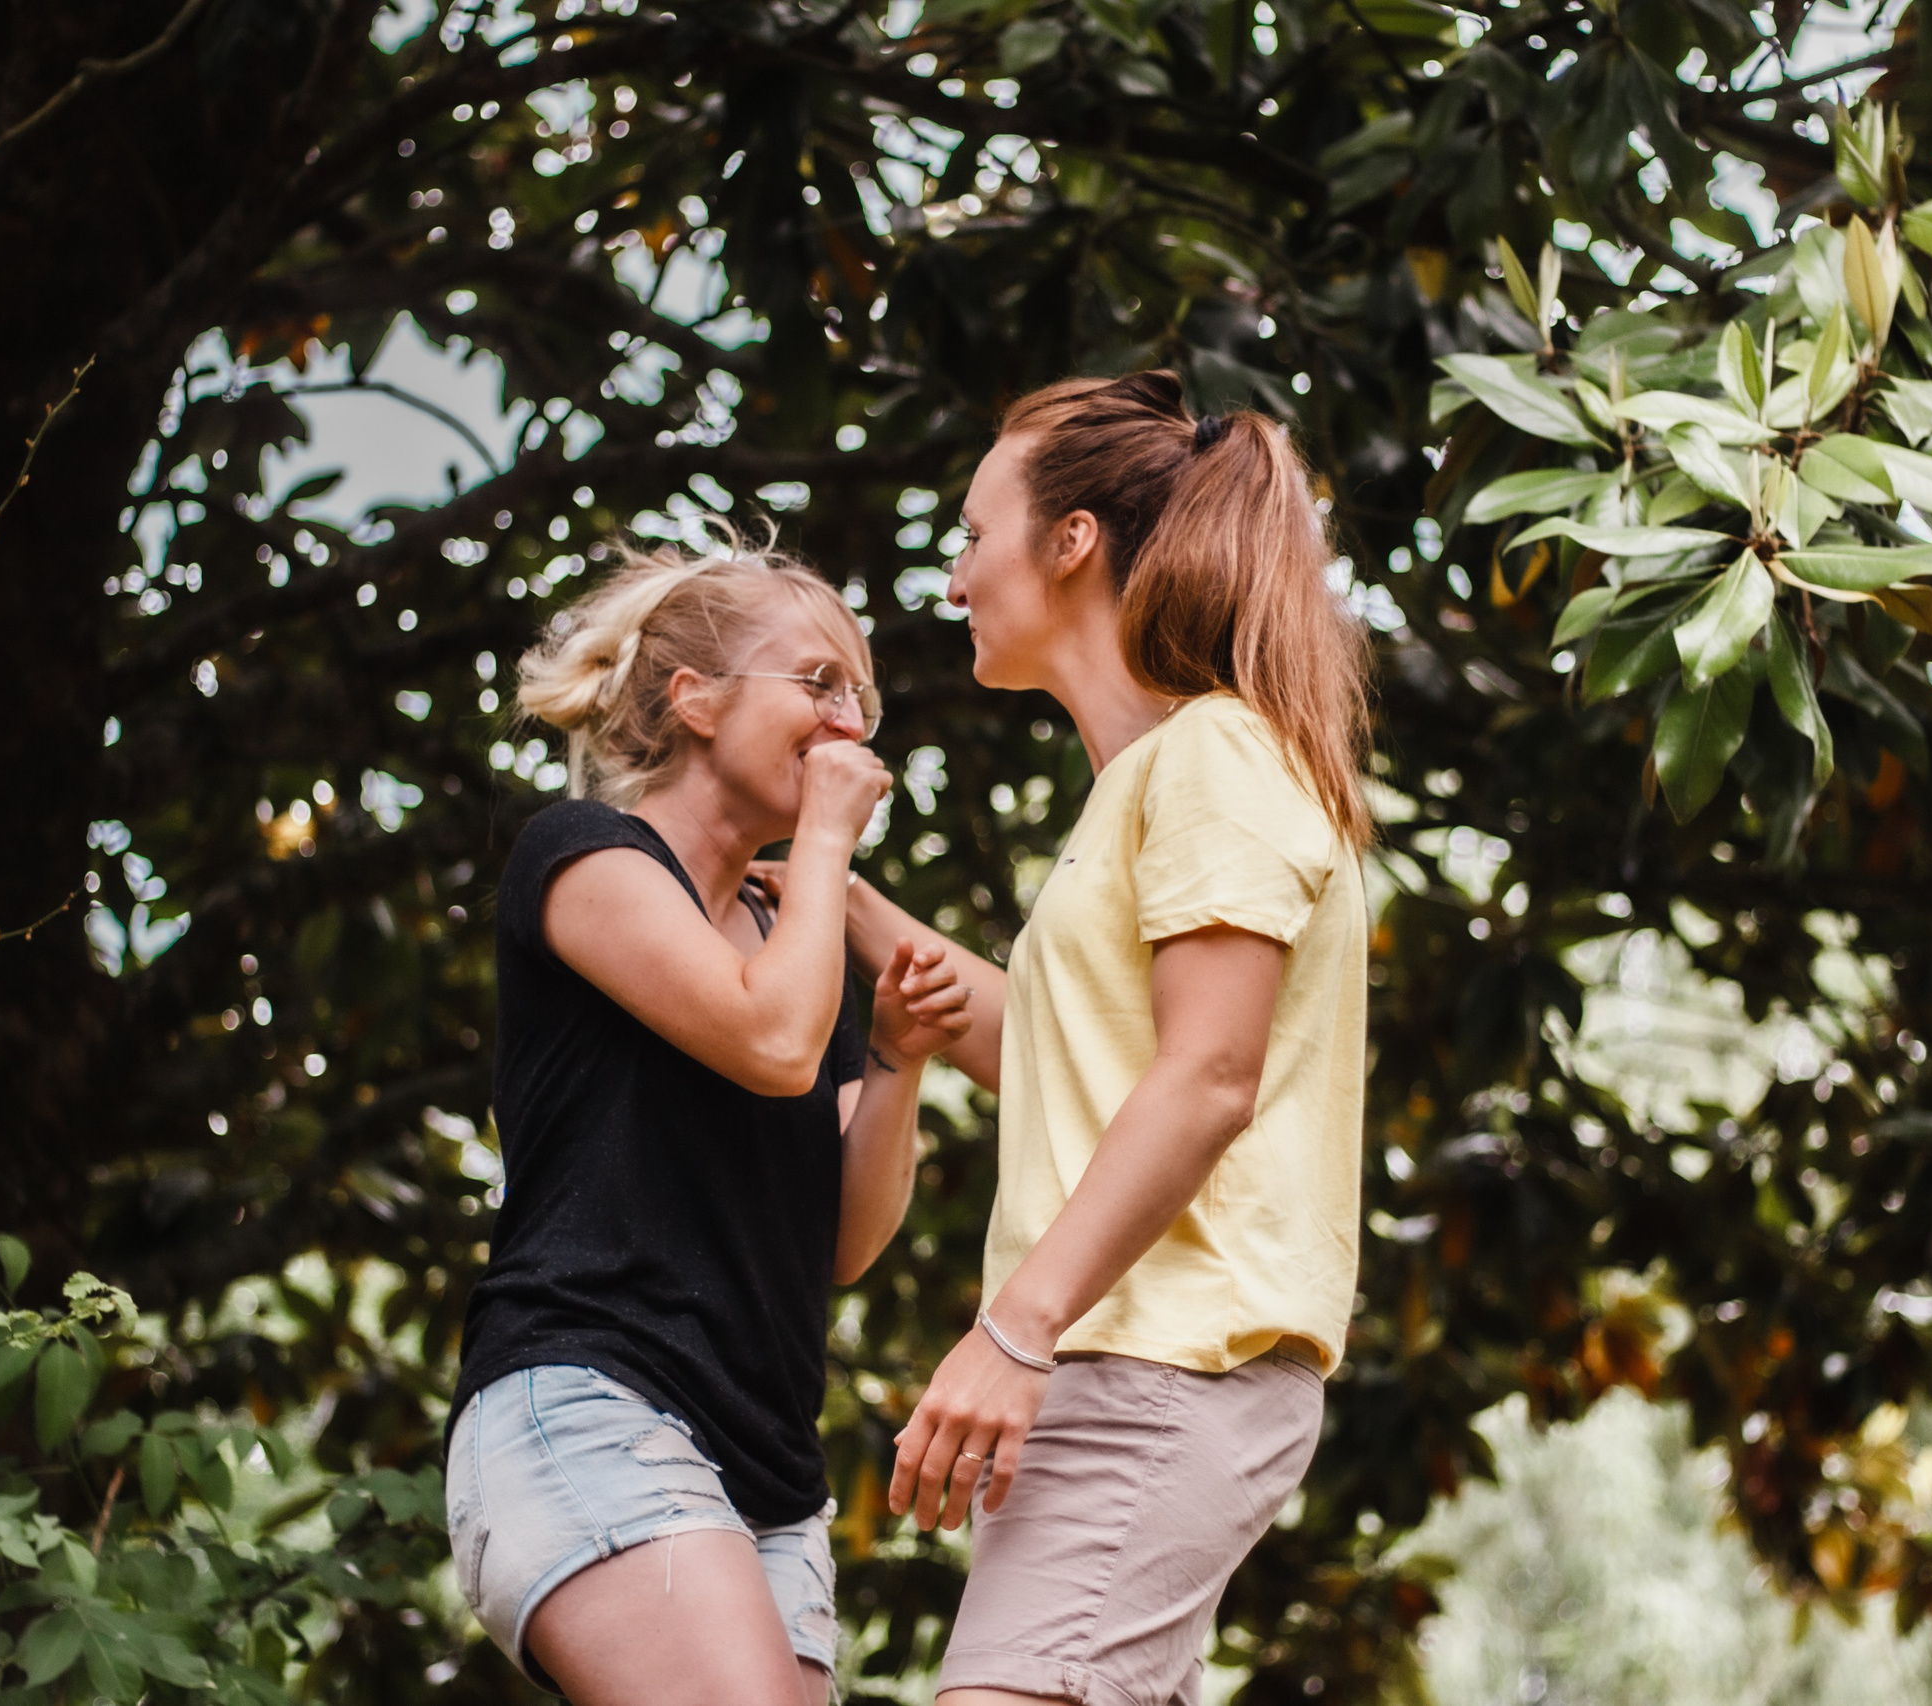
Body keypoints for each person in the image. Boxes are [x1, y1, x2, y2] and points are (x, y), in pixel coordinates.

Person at [849, 371, 1375, 1706]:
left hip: (1160, 1363)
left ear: (1071, 540)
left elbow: (1207, 1075)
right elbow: (1052, 1045)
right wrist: (807, 875)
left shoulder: (1217, 757)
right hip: (1134, 1364)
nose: (956, 578)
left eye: (974, 535)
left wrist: (1012, 1332)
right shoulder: (1153, 782)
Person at [445, 534, 973, 1706]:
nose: (850, 722)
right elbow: (773, 1043)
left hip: (768, 1472)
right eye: (817, 682)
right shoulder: (584, 854)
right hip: (592, 1394)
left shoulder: (796, 944)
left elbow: (840, 1240)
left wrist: (895, 1059)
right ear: (693, 700)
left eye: (862, 695)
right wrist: (827, 840)